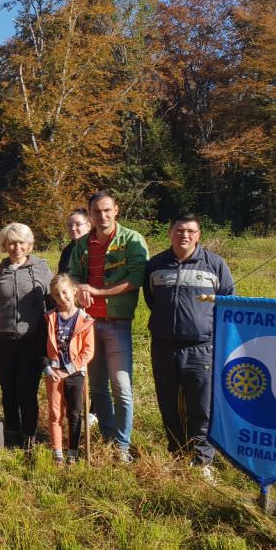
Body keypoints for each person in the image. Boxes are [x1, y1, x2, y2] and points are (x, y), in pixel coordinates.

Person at [144, 214, 233, 478]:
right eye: (179, 230)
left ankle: (202, 458)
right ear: (170, 232)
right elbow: (152, 300)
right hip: (163, 345)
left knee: (201, 405)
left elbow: (227, 301)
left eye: (190, 231)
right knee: (168, 402)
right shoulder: (155, 265)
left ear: (199, 234)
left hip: (202, 346)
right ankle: (177, 451)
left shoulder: (215, 264)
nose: (185, 235)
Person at [67, 190, 148, 463]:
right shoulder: (83, 245)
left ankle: (123, 445)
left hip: (117, 324)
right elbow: (72, 276)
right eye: (96, 212)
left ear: (116, 210)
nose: (102, 216)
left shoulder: (131, 241)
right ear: (89, 214)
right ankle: (108, 433)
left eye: (106, 210)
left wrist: (98, 292)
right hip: (88, 324)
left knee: (121, 385)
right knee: (98, 384)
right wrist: (78, 288)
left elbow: (136, 278)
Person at [0, 222, 53, 450]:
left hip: (32, 339)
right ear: (5, 245)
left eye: (21, 242)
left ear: (29, 244)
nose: (16, 247)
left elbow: (53, 300)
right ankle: (12, 431)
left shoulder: (41, 269)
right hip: (2, 338)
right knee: (8, 388)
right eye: (12, 243)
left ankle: (29, 434)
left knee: (27, 390)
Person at [43, 273, 95, 465]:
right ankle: (57, 453)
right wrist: (48, 368)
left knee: (74, 413)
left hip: (75, 373)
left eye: (64, 293)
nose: (61, 298)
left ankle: (72, 452)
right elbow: (41, 347)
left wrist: (70, 370)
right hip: (54, 373)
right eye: (56, 295)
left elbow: (88, 351)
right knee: (55, 413)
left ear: (73, 291)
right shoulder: (50, 318)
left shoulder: (85, 320)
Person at [58, 209, 90, 275]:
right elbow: (61, 275)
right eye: (70, 225)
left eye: (78, 224)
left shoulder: (96, 248)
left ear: (88, 226)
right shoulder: (67, 250)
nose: (73, 228)